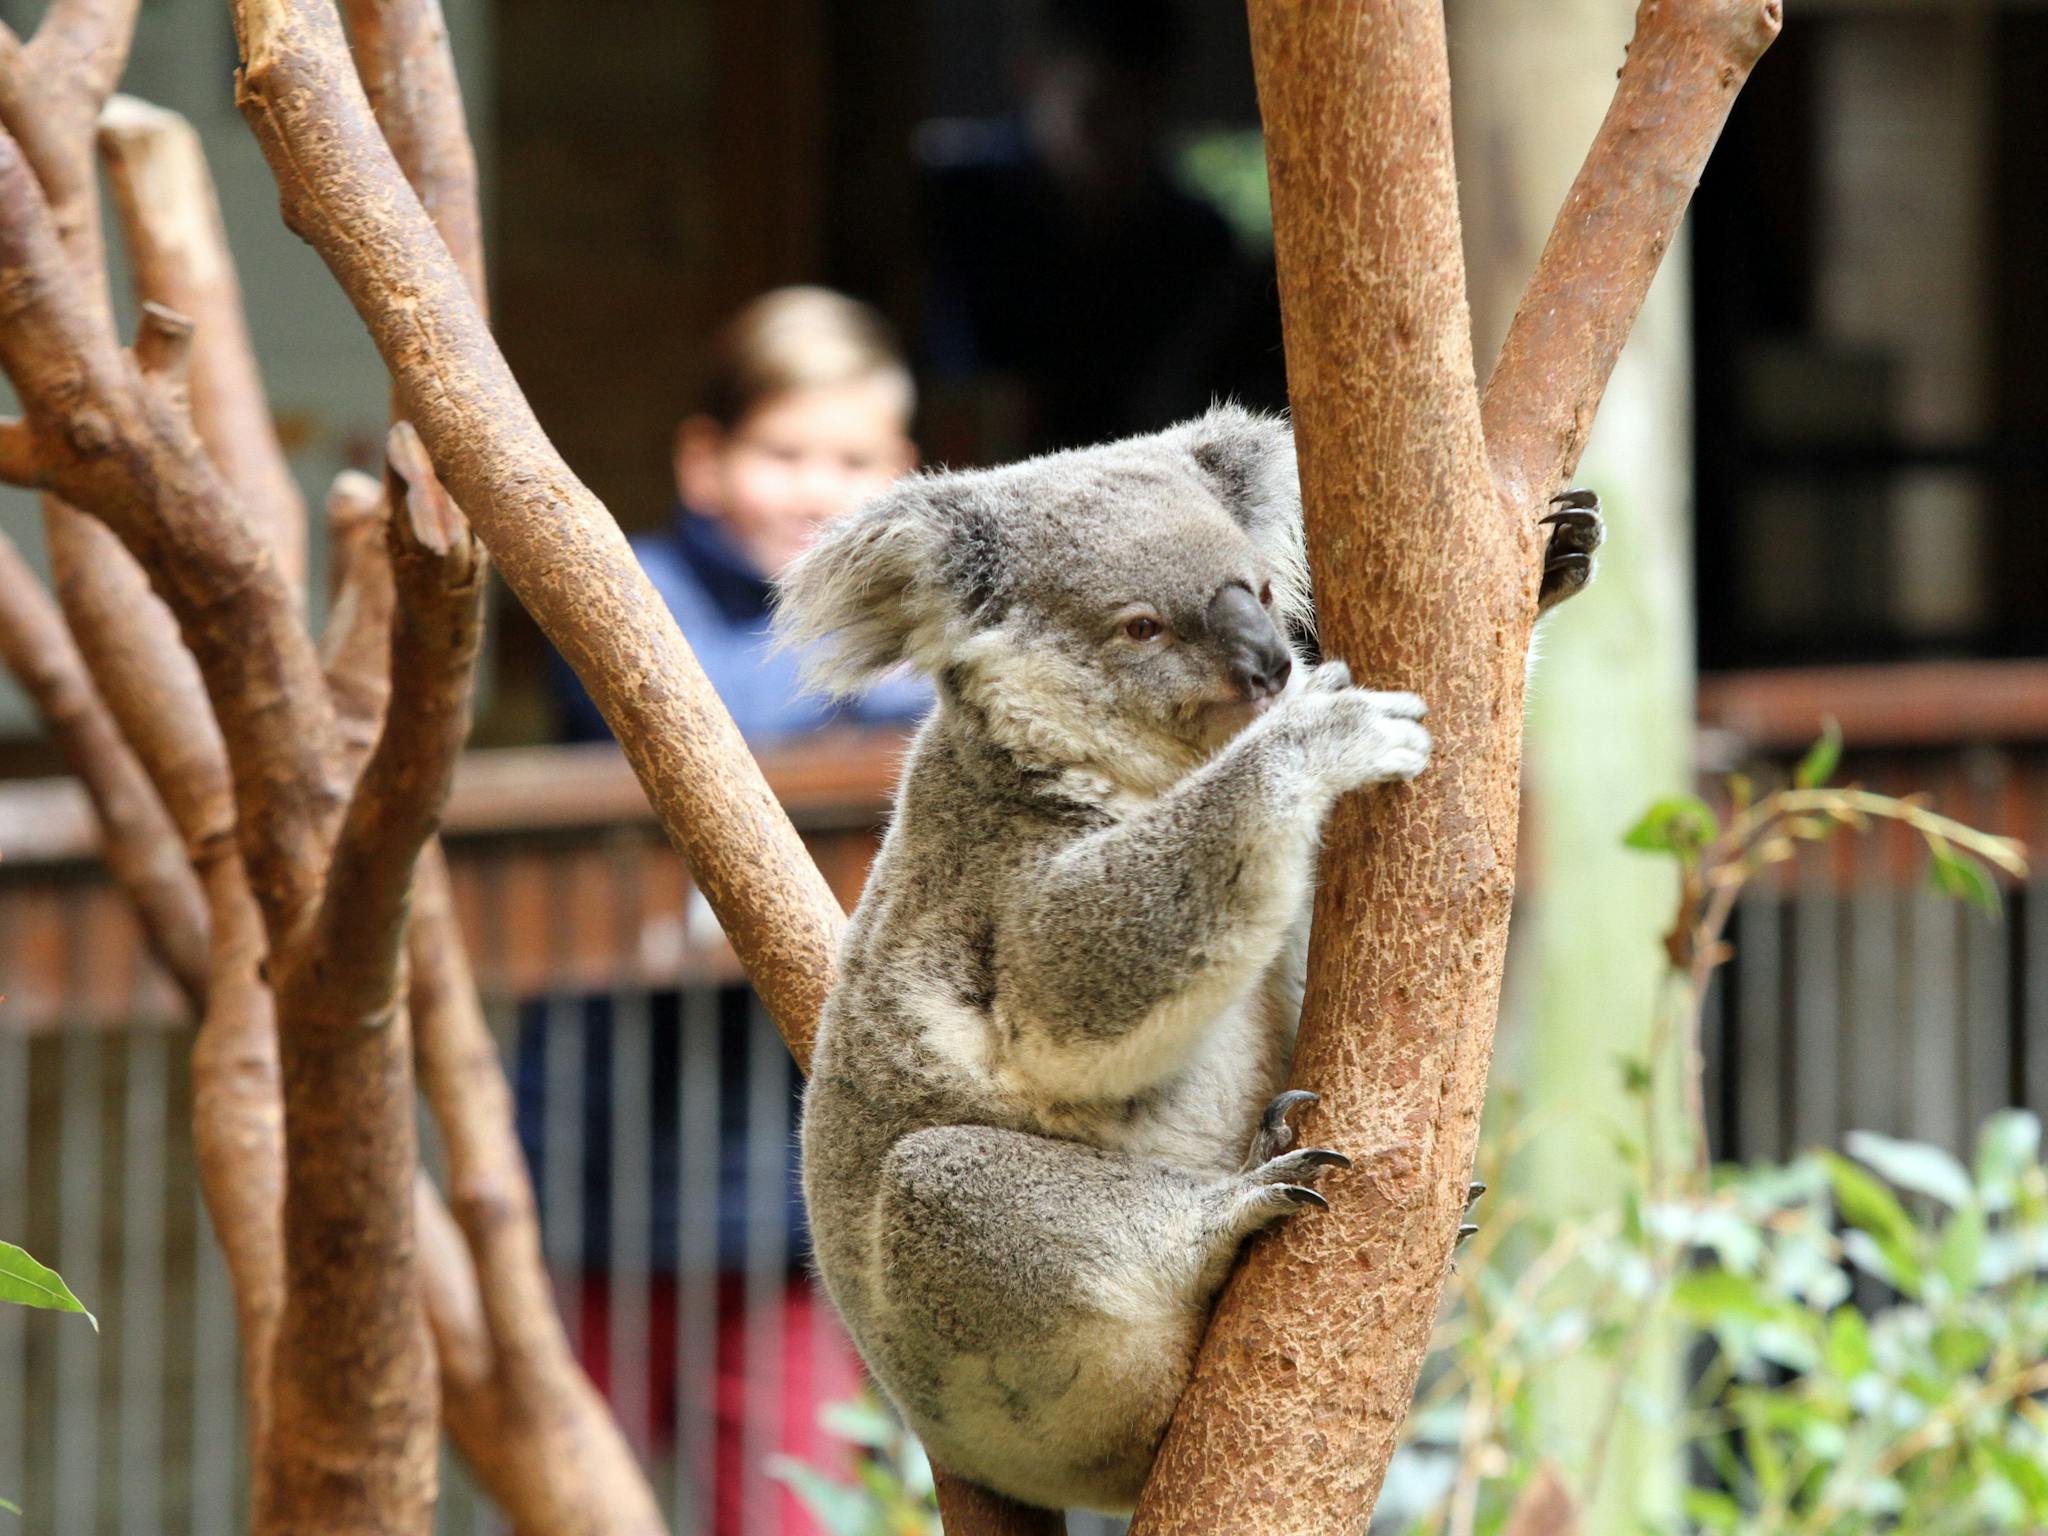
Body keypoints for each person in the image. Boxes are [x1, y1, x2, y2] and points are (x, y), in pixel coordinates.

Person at [556, 285, 930, 742]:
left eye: (855, 462)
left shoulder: (915, 593)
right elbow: (690, 716)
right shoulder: (621, 585)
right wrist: (879, 651)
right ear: (704, 463)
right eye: (783, 455)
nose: (817, 494)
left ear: (902, 476)